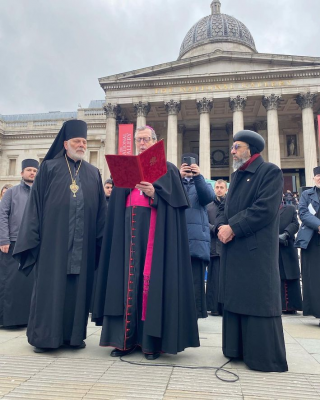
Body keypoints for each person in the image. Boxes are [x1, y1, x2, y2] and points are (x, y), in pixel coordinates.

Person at [92, 125, 199, 360]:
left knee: (150, 283)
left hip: (155, 236)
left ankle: (151, 343)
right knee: (126, 281)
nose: (141, 143)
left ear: (155, 141)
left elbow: (176, 208)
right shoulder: (125, 169)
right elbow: (117, 206)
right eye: (138, 140)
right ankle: (124, 341)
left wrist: (155, 194)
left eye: (145, 139)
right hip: (127, 236)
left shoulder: (168, 169)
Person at [13, 120, 106, 352]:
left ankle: (73, 337)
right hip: (52, 245)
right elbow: (34, 207)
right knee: (50, 290)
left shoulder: (93, 173)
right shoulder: (49, 168)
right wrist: (32, 240)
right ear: (65, 144)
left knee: (78, 290)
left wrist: (101, 243)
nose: (82, 145)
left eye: (84, 142)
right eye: (77, 141)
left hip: (83, 246)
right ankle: (45, 338)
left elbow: (101, 214)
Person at [217, 129, 288, 372]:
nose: (232, 150)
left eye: (237, 146)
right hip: (234, 249)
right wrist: (220, 226)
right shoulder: (236, 176)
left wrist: (233, 228)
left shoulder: (270, 171)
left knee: (257, 299)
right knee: (236, 297)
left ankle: (261, 357)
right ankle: (236, 350)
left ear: (251, 150)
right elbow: (226, 209)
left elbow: (264, 209)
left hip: (255, 250)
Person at [0, 159, 39, 327]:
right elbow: (2, 215)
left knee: (29, 283)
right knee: (10, 282)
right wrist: (4, 239)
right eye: (29, 170)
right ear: (22, 173)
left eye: (34, 170)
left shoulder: (41, 193)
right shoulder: (11, 192)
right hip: (13, 242)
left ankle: (26, 319)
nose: (32, 172)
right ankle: (8, 320)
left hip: (33, 244)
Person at [180, 155, 215, 319]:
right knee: (177, 281)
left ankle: (193, 316)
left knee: (195, 282)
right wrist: (178, 177)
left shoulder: (203, 184)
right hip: (177, 238)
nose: (188, 169)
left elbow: (208, 198)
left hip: (196, 240)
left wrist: (198, 176)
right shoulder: (175, 182)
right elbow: (167, 195)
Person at [295, 167, 320, 323]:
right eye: (317, 176)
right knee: (314, 277)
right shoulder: (306, 194)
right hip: (312, 242)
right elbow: (303, 213)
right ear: (313, 179)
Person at [206, 179, 228, 316]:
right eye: (217, 187)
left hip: (227, 246)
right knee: (213, 279)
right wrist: (216, 229)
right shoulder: (208, 207)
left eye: (222, 187)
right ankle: (213, 306)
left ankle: (226, 306)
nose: (219, 189)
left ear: (226, 190)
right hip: (213, 246)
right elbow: (204, 222)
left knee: (226, 279)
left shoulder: (230, 205)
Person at [278, 204, 302, 314]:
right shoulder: (268, 209)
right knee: (278, 276)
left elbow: (295, 224)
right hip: (274, 248)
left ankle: (293, 305)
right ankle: (281, 305)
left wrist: (286, 234)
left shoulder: (290, 209)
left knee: (291, 274)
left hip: (288, 246)